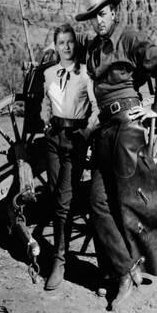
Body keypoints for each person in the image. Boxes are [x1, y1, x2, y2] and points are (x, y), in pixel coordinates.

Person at [74, 0, 157, 309]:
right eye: (93, 16)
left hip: (128, 128)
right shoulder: (92, 49)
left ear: (114, 11)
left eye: (102, 14)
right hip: (105, 130)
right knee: (97, 202)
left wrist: (155, 108)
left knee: (129, 204)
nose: (98, 21)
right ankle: (124, 269)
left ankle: (123, 276)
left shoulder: (128, 37)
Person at [40, 24, 98, 291]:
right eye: (61, 42)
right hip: (53, 139)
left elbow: (96, 110)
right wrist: (45, 121)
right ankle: (59, 252)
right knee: (54, 195)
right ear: (56, 46)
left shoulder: (85, 74)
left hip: (74, 140)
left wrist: (85, 133)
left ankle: (59, 262)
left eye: (70, 42)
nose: (66, 47)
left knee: (63, 202)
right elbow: (45, 102)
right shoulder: (49, 73)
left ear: (75, 45)